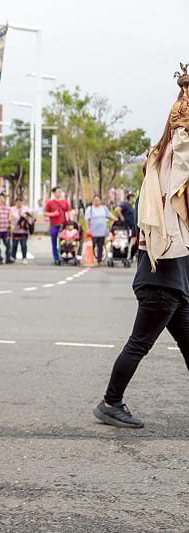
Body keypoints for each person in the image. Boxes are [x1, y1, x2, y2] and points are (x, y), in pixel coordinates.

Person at [93, 66, 189, 428]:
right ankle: (110, 402)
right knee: (139, 343)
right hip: (162, 278)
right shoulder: (173, 157)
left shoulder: (160, 158)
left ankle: (110, 402)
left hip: (173, 278)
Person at [85, 194, 118, 264]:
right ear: (93, 201)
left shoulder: (104, 208)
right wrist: (88, 229)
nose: (96, 201)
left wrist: (117, 220)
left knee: (100, 246)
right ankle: (90, 259)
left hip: (102, 231)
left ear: (100, 201)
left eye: (98, 200)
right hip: (93, 231)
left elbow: (109, 215)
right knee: (92, 246)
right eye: (95, 200)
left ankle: (99, 260)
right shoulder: (90, 209)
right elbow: (87, 220)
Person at [44, 186, 70, 265]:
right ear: (54, 193)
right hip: (54, 225)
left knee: (64, 242)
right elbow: (45, 213)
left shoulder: (65, 202)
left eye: (60, 191)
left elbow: (67, 212)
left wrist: (68, 220)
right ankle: (56, 258)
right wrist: (53, 214)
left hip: (63, 225)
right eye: (57, 192)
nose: (59, 193)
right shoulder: (50, 203)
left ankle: (63, 256)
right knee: (54, 241)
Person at [10, 197, 33, 264]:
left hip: (24, 230)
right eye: (17, 202)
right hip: (15, 230)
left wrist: (23, 215)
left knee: (23, 244)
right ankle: (13, 257)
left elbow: (30, 217)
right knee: (14, 245)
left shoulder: (26, 209)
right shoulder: (12, 209)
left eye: (20, 202)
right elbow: (10, 218)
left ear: (22, 202)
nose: (19, 203)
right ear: (15, 202)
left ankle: (24, 257)